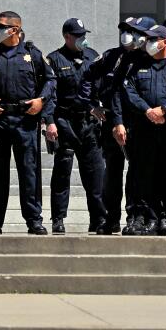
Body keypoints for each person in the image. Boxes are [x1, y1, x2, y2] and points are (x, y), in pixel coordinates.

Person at [0, 11, 55, 235]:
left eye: (2, 26)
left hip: (25, 121)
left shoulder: (32, 55)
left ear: (15, 29)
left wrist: (41, 101)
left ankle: (34, 220)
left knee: (29, 172)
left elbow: (51, 80)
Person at [111, 24, 166, 236]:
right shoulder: (137, 65)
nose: (149, 43)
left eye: (153, 39)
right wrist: (147, 111)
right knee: (143, 174)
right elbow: (128, 90)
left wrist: (165, 110)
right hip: (144, 129)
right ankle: (144, 218)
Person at [85, 16, 152, 235]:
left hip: (140, 125)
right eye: (124, 30)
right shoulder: (112, 57)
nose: (127, 35)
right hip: (114, 123)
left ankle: (135, 218)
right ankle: (110, 219)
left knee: (136, 175)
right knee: (112, 175)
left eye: (132, 31)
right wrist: (93, 105)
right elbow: (88, 78)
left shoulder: (150, 59)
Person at [43, 18, 107, 234]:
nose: (83, 39)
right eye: (78, 36)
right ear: (66, 37)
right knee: (62, 174)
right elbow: (49, 96)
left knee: (96, 174)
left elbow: (101, 87)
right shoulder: (54, 60)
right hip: (65, 122)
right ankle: (58, 219)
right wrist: (50, 122)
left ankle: (98, 219)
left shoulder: (92, 57)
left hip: (89, 123)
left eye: (84, 35)